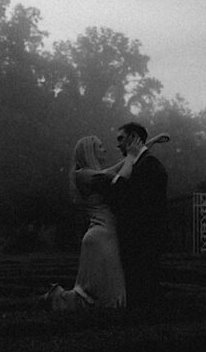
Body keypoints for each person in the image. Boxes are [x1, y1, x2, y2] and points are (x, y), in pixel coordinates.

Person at [42, 131, 169, 311]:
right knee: (106, 297)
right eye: (99, 146)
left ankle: (58, 301)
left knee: (101, 293)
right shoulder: (83, 175)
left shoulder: (91, 174)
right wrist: (133, 155)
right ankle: (57, 301)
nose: (104, 149)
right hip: (102, 235)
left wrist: (148, 144)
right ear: (89, 151)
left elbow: (115, 169)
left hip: (103, 234)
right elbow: (120, 178)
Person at [111, 122, 169, 306]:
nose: (118, 144)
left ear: (133, 138)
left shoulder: (149, 165)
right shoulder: (140, 162)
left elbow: (120, 197)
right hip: (137, 243)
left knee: (143, 298)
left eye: (121, 138)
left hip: (141, 244)